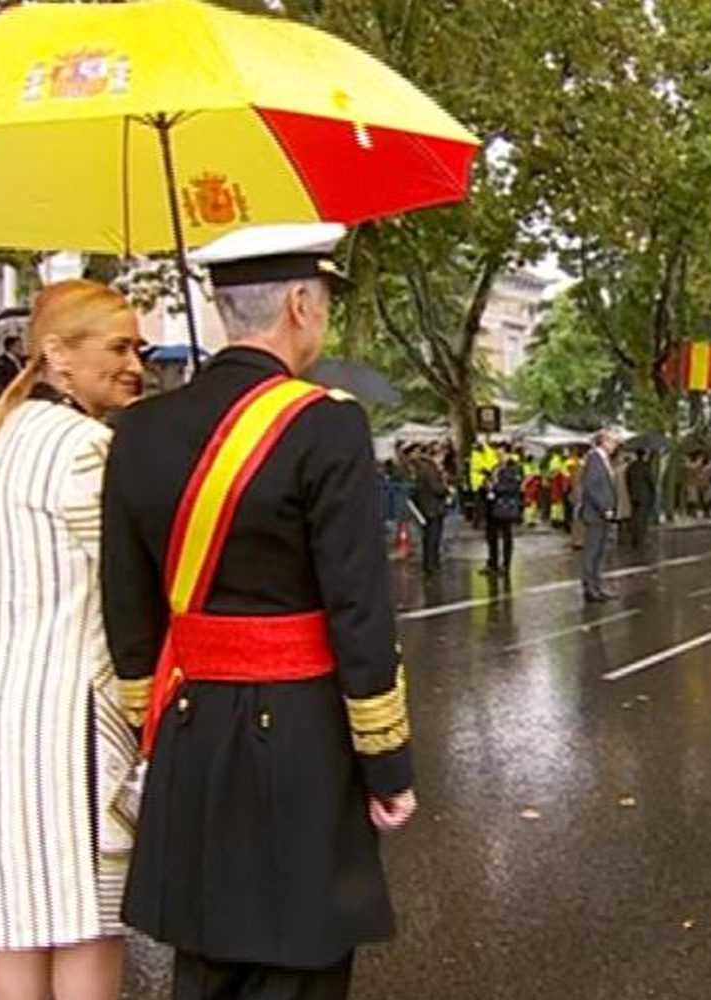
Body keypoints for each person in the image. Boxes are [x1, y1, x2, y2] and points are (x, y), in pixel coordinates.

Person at [101, 224, 415, 1000]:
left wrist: (149, 728)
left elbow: (128, 611)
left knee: (206, 961)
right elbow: (358, 608)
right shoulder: (326, 423)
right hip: (301, 735)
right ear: (302, 304)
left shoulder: (137, 430)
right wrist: (386, 763)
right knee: (298, 965)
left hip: (190, 730)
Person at [0, 281, 146, 1000]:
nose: (136, 365)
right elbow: (130, 588)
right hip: (67, 723)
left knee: (18, 919)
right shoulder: (86, 447)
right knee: (87, 918)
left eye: (138, 348)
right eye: (119, 348)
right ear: (57, 354)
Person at [580, 430, 620, 602]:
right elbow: (592, 486)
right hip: (596, 514)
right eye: (613, 441)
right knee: (593, 551)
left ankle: (598, 584)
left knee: (601, 552)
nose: (616, 445)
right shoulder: (594, 459)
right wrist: (604, 507)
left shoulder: (604, 460)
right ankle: (590, 587)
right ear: (604, 441)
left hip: (603, 514)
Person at [484, 447, 525, 576]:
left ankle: (506, 565)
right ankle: (492, 563)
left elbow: (513, 487)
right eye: (497, 454)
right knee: (491, 536)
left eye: (501, 454)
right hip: (492, 505)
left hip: (506, 505)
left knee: (506, 536)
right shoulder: (496, 467)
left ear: (508, 454)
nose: (498, 456)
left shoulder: (514, 468)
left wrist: (495, 488)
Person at [411, 444, 448, 575]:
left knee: (428, 538)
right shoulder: (431, 469)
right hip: (434, 507)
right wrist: (446, 489)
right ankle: (432, 565)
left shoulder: (422, 468)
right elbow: (436, 488)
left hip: (425, 507)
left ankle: (429, 563)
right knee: (433, 537)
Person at [626, 449, 655, 550]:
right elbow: (650, 482)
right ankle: (641, 540)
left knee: (635, 517)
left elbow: (627, 481)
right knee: (643, 519)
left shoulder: (631, 466)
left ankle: (634, 539)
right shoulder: (645, 466)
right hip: (644, 495)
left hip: (633, 495)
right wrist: (653, 494)